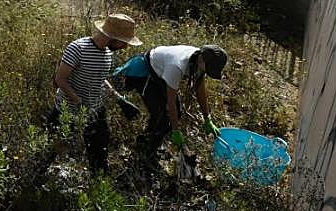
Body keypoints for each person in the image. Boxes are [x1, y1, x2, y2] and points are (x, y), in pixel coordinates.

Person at [52, 13, 142, 174]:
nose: (125, 47)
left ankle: (98, 183)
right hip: (68, 110)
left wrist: (119, 99)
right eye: (124, 42)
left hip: (95, 109)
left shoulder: (107, 53)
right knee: (54, 147)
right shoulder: (78, 48)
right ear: (112, 37)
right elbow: (60, 79)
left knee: (100, 150)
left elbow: (100, 79)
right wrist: (79, 101)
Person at [126, 44, 228, 176]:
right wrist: (175, 131)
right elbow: (171, 103)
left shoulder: (198, 61)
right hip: (146, 72)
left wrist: (207, 118)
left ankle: (147, 140)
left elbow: (200, 89)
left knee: (172, 115)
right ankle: (146, 154)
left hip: (162, 73)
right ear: (202, 59)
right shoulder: (177, 66)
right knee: (162, 116)